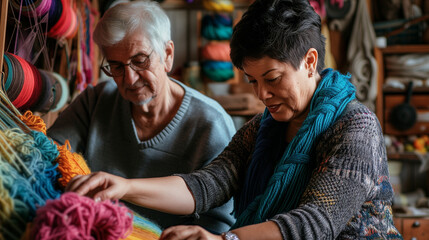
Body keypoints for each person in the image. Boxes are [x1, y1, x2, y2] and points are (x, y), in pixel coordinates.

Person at [66, 0, 403, 239]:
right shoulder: (262, 128)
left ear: (310, 61)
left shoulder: (355, 127)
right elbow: (208, 184)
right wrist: (124, 187)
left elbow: (315, 224)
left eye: (272, 78)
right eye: (253, 81)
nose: (262, 95)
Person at [47, 0, 236, 234]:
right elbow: (48, 156)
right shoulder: (94, 102)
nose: (129, 79)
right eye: (116, 66)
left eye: (139, 61)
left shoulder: (211, 123)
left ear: (167, 54)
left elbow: (217, 224)